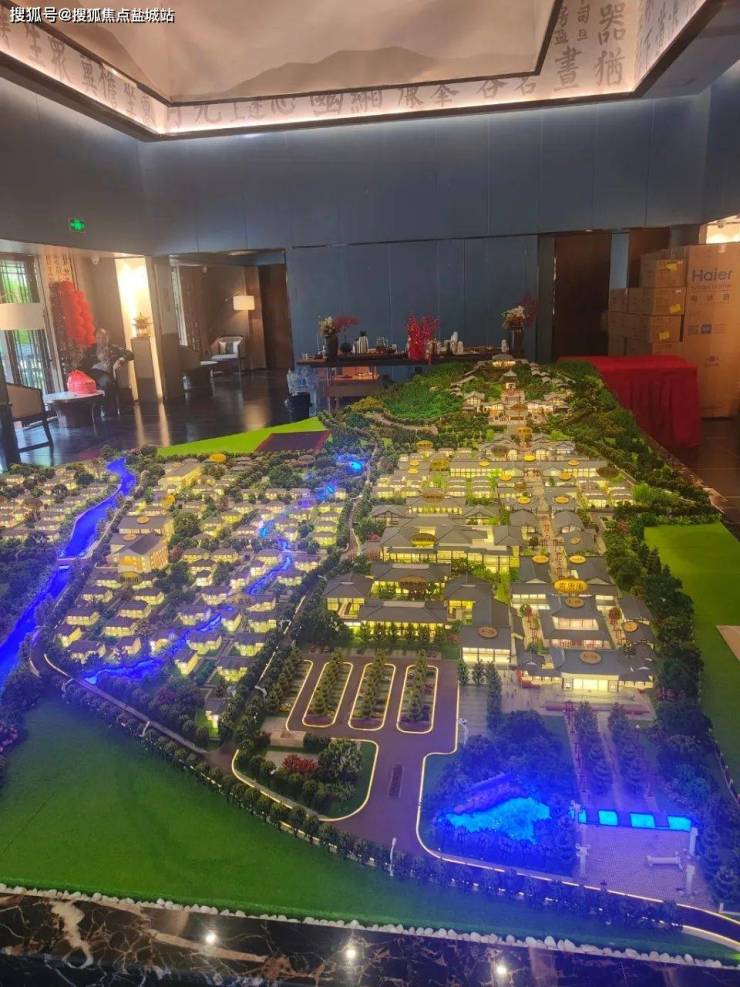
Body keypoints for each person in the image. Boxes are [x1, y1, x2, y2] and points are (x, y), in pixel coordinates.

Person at [80, 327, 133, 416]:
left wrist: (121, 359)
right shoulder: (91, 349)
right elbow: (83, 363)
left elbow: (130, 354)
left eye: (103, 337)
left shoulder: (114, 348)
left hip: (106, 373)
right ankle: (98, 411)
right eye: (98, 338)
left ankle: (109, 411)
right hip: (93, 372)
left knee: (108, 382)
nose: (101, 340)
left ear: (108, 338)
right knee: (105, 382)